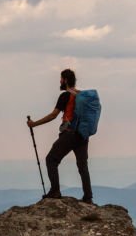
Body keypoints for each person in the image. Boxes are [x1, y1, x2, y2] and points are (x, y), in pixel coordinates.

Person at [26, 68, 93, 204]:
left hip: (69, 134)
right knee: (82, 166)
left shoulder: (65, 96)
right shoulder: (82, 96)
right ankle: (88, 197)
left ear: (66, 80)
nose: (60, 81)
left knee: (51, 159)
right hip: (83, 135)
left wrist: (34, 124)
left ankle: (55, 191)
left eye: (61, 78)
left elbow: (53, 115)